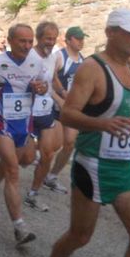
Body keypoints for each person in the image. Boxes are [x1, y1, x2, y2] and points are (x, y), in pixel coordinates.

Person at [32, 9, 130, 257]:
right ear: (110, 32)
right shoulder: (92, 68)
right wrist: (102, 124)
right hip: (93, 165)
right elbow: (69, 114)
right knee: (80, 235)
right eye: (129, 32)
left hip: (124, 167)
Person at [0, 23, 48, 247]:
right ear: (11, 41)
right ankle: (19, 227)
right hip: (2, 123)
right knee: (12, 171)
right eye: (22, 41)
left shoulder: (36, 62)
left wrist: (40, 88)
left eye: (29, 41)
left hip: (25, 124)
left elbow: (44, 86)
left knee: (21, 162)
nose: (26, 45)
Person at [24, 22, 64, 212]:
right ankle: (2, 156)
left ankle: (33, 194)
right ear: (39, 38)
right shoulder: (27, 55)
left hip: (45, 110)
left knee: (47, 154)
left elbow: (51, 80)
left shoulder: (53, 56)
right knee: (26, 157)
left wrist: (61, 96)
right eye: (48, 38)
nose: (51, 42)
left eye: (54, 38)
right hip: (26, 111)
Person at [47, 26, 87, 193]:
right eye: (78, 39)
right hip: (53, 106)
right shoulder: (59, 57)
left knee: (70, 143)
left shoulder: (83, 60)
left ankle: (52, 176)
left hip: (70, 109)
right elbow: (47, 81)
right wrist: (59, 98)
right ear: (68, 40)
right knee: (52, 146)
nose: (81, 42)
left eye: (83, 39)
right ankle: (17, 153)